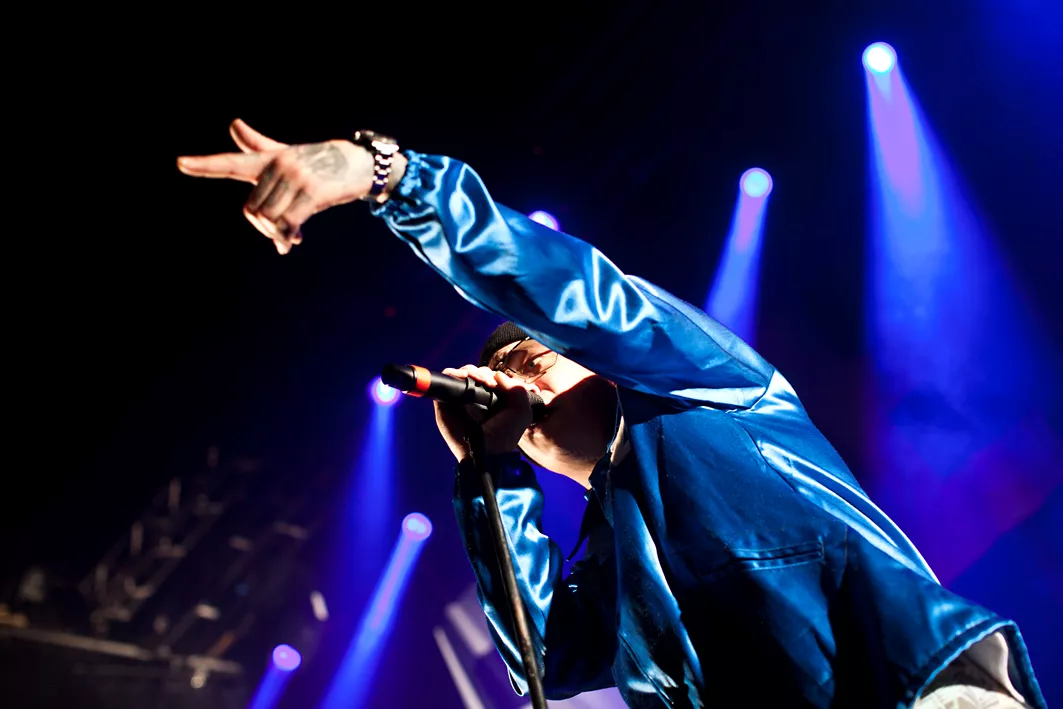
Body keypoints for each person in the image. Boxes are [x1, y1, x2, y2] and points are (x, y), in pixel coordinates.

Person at [178, 121, 1045, 709]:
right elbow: (548, 657)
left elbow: (571, 293)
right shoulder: (613, 556)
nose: (515, 386)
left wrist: (388, 176)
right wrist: (491, 474)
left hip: (911, 685)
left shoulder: (704, 385)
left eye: (534, 361)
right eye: (504, 377)